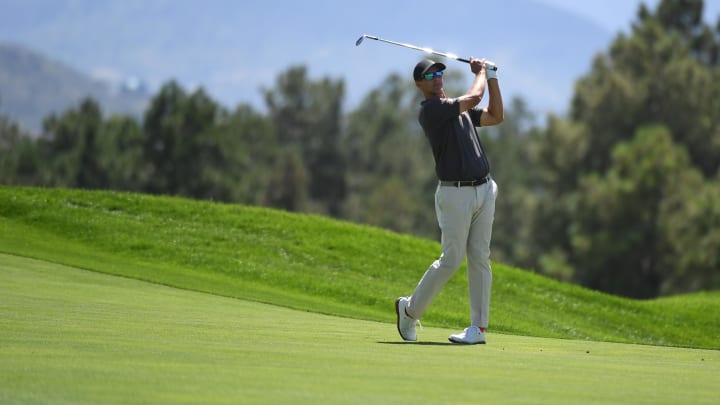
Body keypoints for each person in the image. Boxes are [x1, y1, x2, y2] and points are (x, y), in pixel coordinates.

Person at [395, 57, 503, 344]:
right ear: (420, 84)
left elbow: (495, 115)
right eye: (430, 75)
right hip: (454, 194)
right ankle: (409, 311)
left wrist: (492, 77)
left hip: (484, 189)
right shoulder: (431, 111)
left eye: (439, 72)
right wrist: (481, 72)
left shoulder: (460, 110)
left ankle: (478, 329)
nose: (437, 77)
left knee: (480, 257)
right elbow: (475, 96)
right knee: (452, 260)